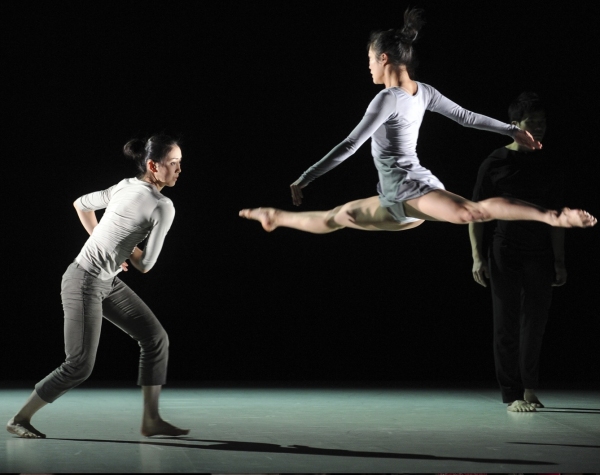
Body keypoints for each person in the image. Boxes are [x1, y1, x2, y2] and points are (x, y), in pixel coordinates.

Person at [239, 8, 595, 233]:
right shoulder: (422, 91)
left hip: (410, 190)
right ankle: (276, 217)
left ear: (383, 58)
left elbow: (351, 144)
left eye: (369, 60)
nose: (367, 67)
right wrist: (513, 130)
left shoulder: (388, 98)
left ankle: (553, 216)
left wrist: (305, 177)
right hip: (398, 201)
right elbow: (467, 117)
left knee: (470, 213)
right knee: (338, 217)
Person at [6, 134, 189, 438]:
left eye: (180, 163)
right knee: (78, 365)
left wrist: (108, 240)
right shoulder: (162, 206)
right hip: (83, 281)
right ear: (153, 166)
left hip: (106, 281)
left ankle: (151, 420)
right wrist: (123, 245)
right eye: (173, 163)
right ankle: (19, 419)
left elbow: (81, 204)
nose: (179, 169)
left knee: (155, 338)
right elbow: (145, 265)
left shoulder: (124, 185)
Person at [469, 93, 566, 412]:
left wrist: (559, 260)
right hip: (505, 250)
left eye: (542, 123)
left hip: (539, 251)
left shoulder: (549, 162)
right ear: (514, 126)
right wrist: (477, 256)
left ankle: (529, 388)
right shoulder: (496, 162)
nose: (538, 129)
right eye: (531, 123)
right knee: (506, 322)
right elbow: (475, 214)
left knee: (535, 323)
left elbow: (556, 217)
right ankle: (511, 394)